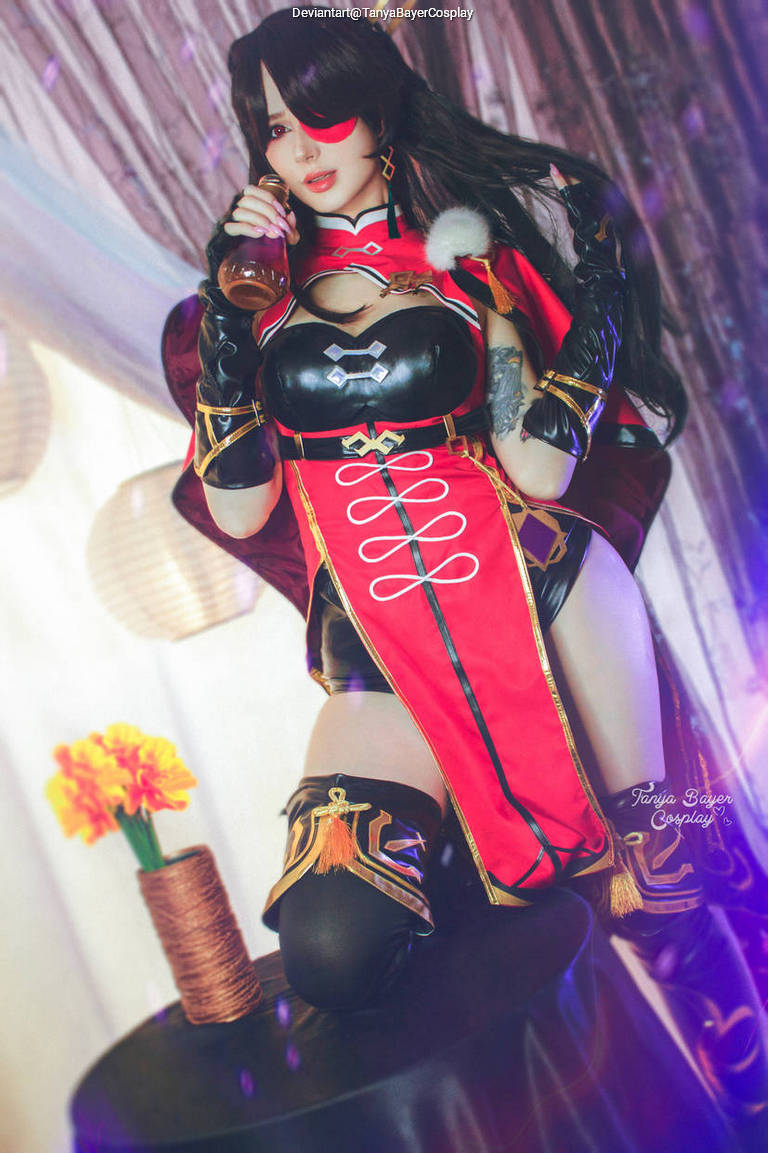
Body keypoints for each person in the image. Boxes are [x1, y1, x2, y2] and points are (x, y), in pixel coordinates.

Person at [162, 7, 767, 1127]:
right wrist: (231, 311)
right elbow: (243, 505)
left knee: (670, 893)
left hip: (539, 597)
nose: (298, 151)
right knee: (337, 949)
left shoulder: (465, 261)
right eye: (273, 131)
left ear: (380, 112)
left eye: (319, 116)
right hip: (378, 648)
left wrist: (596, 293)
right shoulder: (251, 302)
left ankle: (741, 1103)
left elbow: (538, 469)